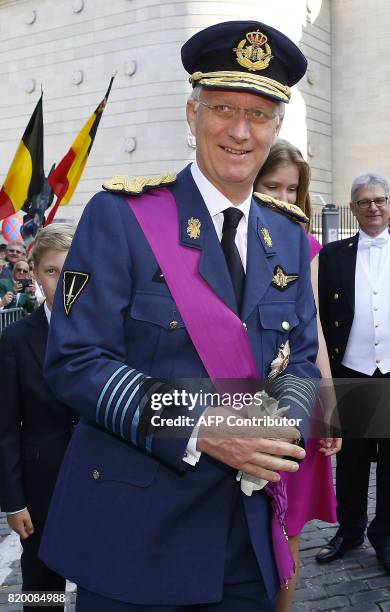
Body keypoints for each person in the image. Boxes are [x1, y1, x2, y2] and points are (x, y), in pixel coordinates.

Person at [40, 21, 320, 612]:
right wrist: (206, 426)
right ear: (191, 115)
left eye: (261, 114)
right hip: (134, 539)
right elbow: (74, 362)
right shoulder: (120, 217)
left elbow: (298, 357)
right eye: (223, 108)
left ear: (276, 126)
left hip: (247, 538)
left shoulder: (288, 235)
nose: (241, 131)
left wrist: (279, 429)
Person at [255, 139, 341, 611]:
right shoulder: (225, 236)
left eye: (292, 190)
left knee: (288, 533)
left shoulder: (305, 245)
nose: (283, 200)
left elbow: (316, 337)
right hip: (239, 405)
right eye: (273, 186)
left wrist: (329, 408)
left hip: (296, 405)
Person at [316, 173, 390, 574]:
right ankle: (349, 530)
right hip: (353, 369)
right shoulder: (333, 255)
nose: (373, 207)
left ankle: (387, 535)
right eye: (364, 202)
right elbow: (324, 316)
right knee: (352, 459)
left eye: (379, 200)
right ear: (353, 209)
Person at [0, 223, 76, 611]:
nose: (63, 282)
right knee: (42, 592)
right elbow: (5, 428)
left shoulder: (113, 331)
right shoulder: (15, 340)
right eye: (52, 272)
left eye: (73, 270)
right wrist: (13, 501)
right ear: (34, 273)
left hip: (104, 481)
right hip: (42, 489)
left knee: (109, 588)